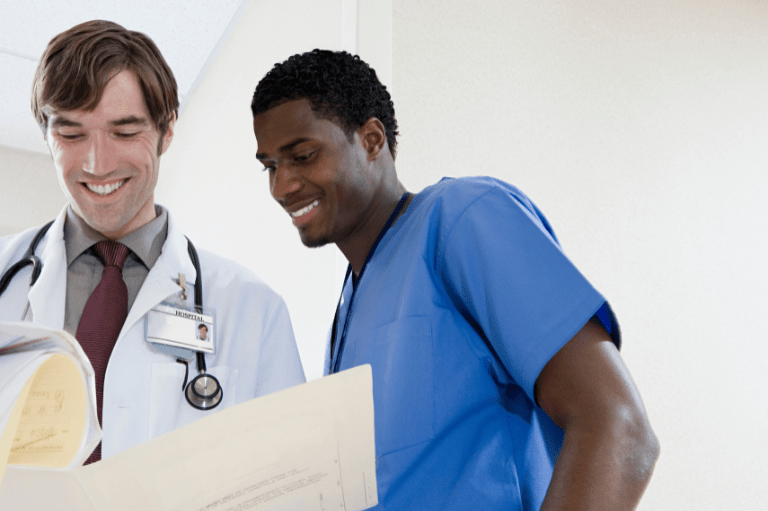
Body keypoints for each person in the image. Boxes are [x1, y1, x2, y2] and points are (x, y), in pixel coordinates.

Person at [251, 49, 659, 510]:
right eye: (270, 166)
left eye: (302, 156)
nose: (282, 186)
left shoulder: (463, 218)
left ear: (370, 140)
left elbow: (616, 424)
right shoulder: (348, 311)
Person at [0, 20, 305, 464]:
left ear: (167, 131)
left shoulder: (251, 309)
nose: (97, 162)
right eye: (71, 133)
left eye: (124, 133)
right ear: (46, 135)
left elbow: (289, 481)